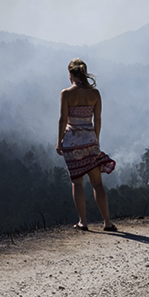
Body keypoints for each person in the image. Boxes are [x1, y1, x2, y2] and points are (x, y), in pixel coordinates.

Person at [55, 58, 117, 232]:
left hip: (72, 142)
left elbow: (62, 119)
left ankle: (83, 221)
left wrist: (59, 141)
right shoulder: (95, 94)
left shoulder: (66, 93)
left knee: (77, 183)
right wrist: (95, 139)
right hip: (90, 140)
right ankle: (107, 222)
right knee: (97, 184)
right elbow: (97, 119)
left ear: (70, 74)